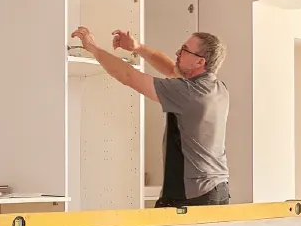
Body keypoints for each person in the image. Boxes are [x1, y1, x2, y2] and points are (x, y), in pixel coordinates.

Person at [69, 26, 230, 207]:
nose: (178, 52)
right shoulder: (217, 88)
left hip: (193, 196)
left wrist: (93, 48)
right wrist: (137, 47)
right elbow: (171, 68)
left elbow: (129, 76)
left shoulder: (189, 92)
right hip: (217, 190)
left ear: (199, 62)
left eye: (184, 50)